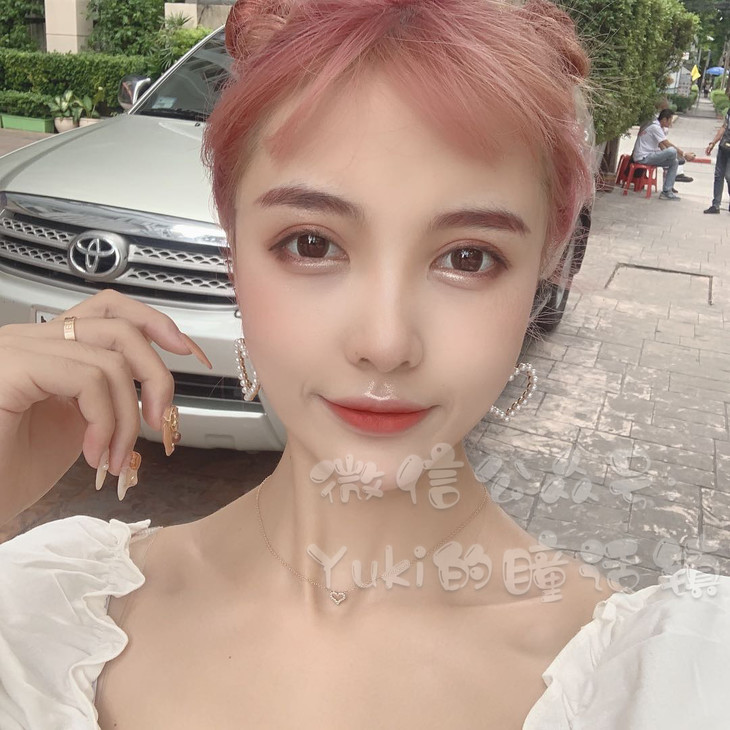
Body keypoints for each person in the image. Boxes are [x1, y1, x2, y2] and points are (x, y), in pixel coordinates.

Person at [0, 1, 728, 728]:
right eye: (312, 244)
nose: (385, 342)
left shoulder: (665, 684)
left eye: (468, 258)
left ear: (544, 267)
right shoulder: (45, 608)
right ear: (233, 254)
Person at [632, 108, 696, 200]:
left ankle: (666, 192)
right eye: (670, 120)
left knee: (674, 162)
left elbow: (662, 145)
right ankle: (679, 161)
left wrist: (670, 157)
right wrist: (684, 154)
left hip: (650, 156)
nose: (671, 123)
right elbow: (667, 144)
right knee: (672, 151)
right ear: (664, 119)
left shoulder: (659, 127)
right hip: (644, 157)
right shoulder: (655, 127)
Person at [703, 90, 730, 214]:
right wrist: (713, 143)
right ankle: (716, 205)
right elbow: (724, 127)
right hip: (724, 146)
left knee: (728, 176)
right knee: (718, 175)